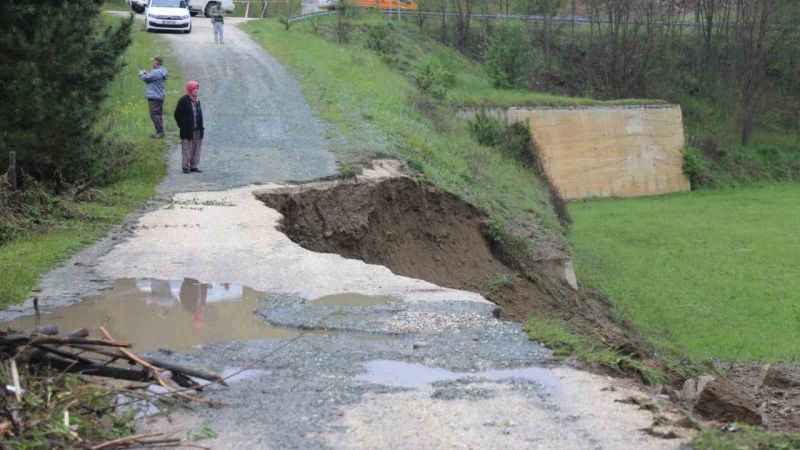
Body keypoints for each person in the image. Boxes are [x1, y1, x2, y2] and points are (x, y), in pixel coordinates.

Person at [174, 80, 205, 174]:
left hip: (198, 129)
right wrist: (182, 125)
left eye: (197, 89)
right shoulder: (183, 100)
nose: (196, 91)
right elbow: (176, 114)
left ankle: (194, 166)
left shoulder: (197, 100)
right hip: (187, 130)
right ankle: (185, 167)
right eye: (194, 89)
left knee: (196, 148)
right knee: (187, 149)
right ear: (190, 89)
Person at [138, 56, 168, 138]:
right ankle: (160, 132)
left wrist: (141, 73)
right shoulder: (161, 71)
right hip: (159, 96)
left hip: (154, 96)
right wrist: (146, 73)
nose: (152, 63)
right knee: (158, 114)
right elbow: (151, 76)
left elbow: (146, 78)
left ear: (156, 62)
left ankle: (160, 132)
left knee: (154, 115)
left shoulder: (156, 72)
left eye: (153, 61)